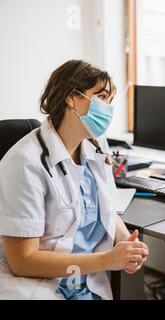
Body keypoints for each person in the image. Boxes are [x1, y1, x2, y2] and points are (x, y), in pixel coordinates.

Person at [0, 60, 149, 300]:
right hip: (39, 285)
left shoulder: (96, 146)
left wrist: (126, 244)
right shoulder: (24, 162)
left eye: (110, 101)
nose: (108, 109)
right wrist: (107, 259)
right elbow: (22, 261)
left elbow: (107, 209)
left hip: (86, 282)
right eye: (101, 97)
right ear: (72, 99)